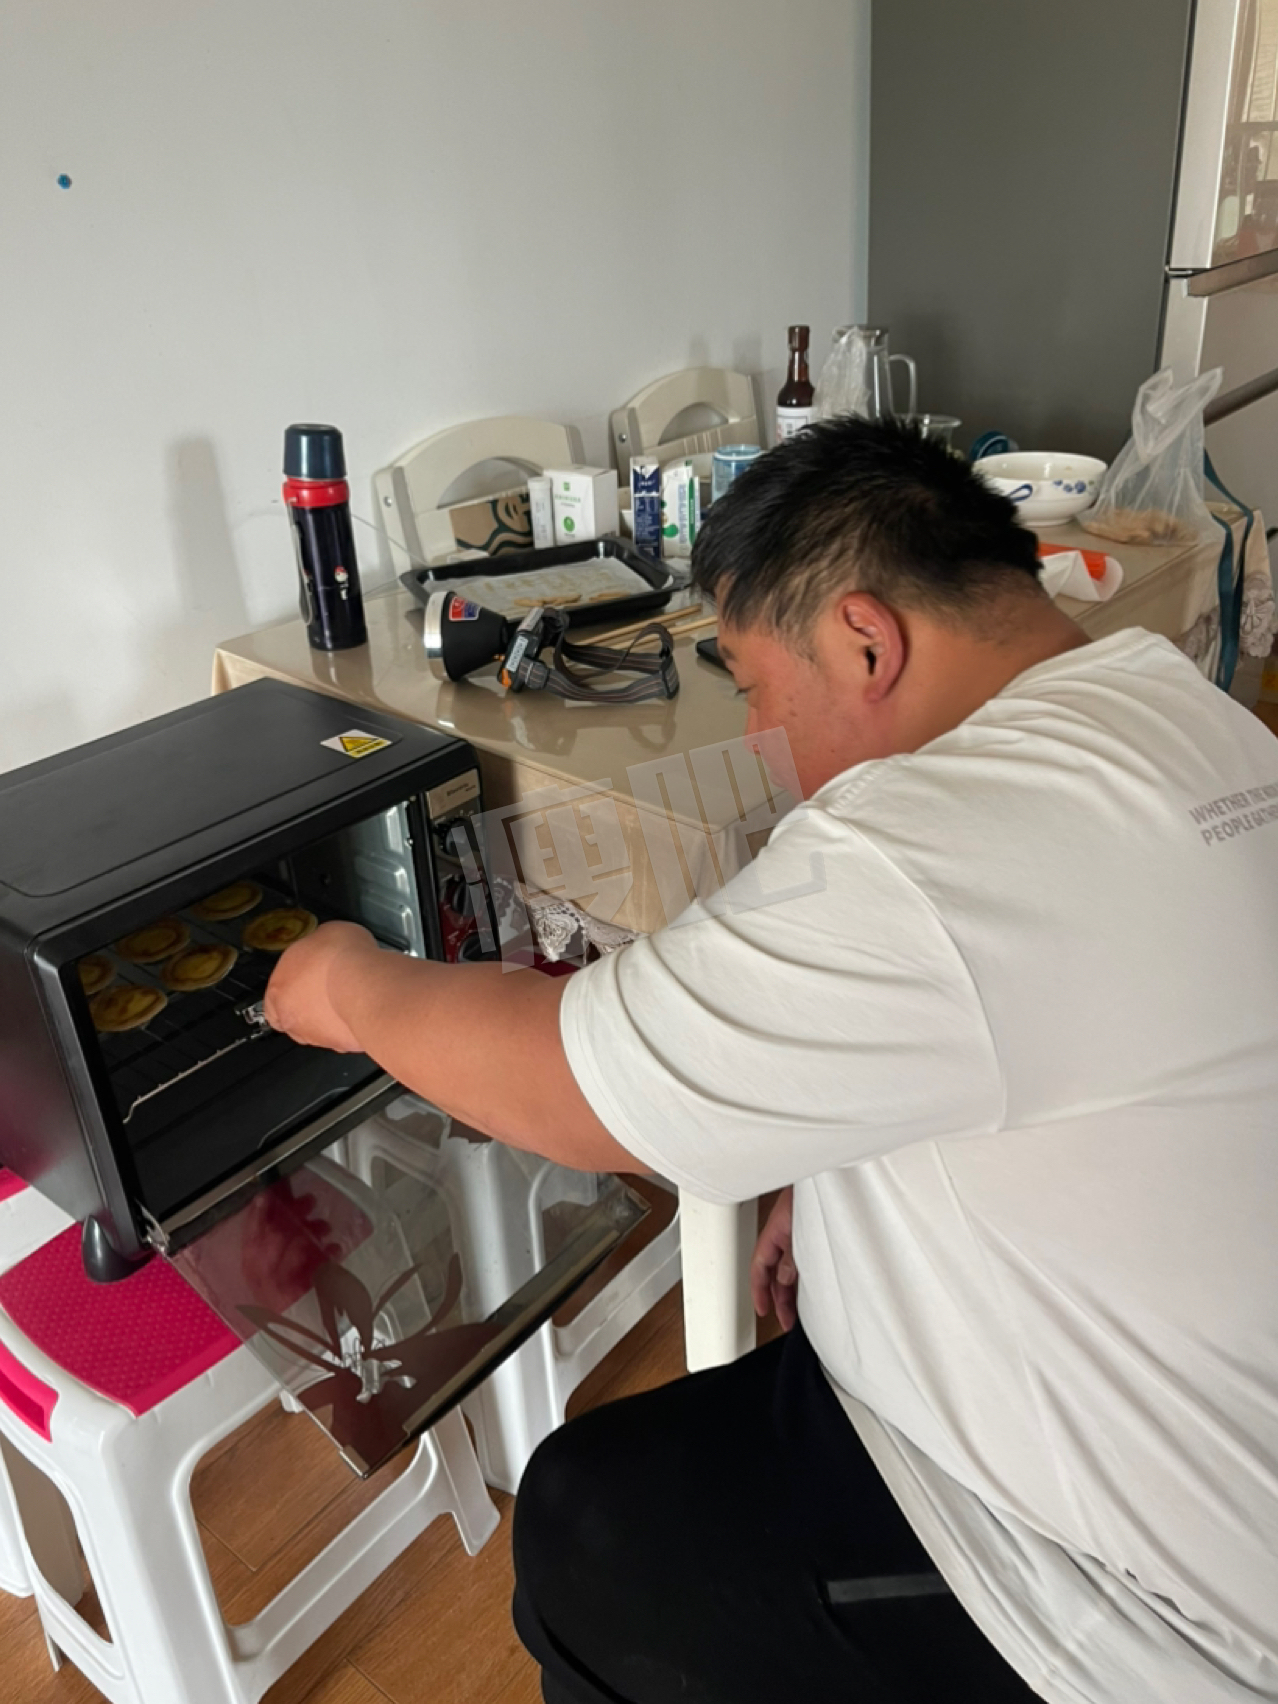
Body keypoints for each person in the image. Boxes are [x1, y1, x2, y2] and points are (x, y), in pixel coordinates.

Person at [264, 418, 1278, 1704]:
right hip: (1190, 1399)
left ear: (866, 642)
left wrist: (352, 988)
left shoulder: (921, 845)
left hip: (1151, 1604)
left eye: (750, 686)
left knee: (585, 1527)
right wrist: (836, 1165)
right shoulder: (1176, 709)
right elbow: (1032, 1037)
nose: (758, 737)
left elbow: (574, 1087)